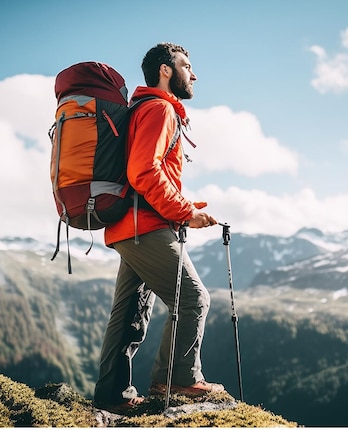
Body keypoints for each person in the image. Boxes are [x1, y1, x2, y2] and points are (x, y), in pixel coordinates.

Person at [93, 42, 225, 413]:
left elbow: (150, 172)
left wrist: (186, 207)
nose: (194, 74)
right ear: (165, 71)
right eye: (187, 65)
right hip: (145, 228)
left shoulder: (144, 109)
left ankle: (112, 395)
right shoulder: (160, 109)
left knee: (130, 312)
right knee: (193, 298)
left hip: (131, 227)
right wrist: (182, 211)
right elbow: (143, 171)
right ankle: (178, 378)